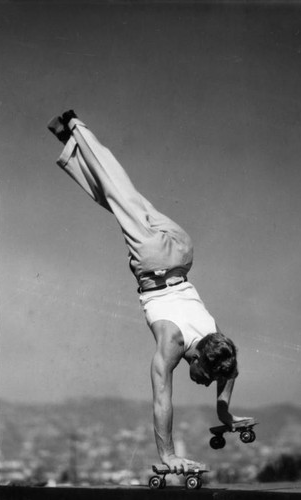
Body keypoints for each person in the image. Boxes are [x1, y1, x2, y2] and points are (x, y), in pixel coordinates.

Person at [48, 110, 250, 473]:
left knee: (120, 197)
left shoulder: (217, 344)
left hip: (183, 251)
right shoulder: (172, 340)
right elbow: (161, 401)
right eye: (207, 378)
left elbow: (230, 371)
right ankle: (75, 127)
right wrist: (168, 456)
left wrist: (224, 410)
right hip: (154, 260)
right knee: (117, 191)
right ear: (200, 360)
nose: (206, 384)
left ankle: (73, 149)